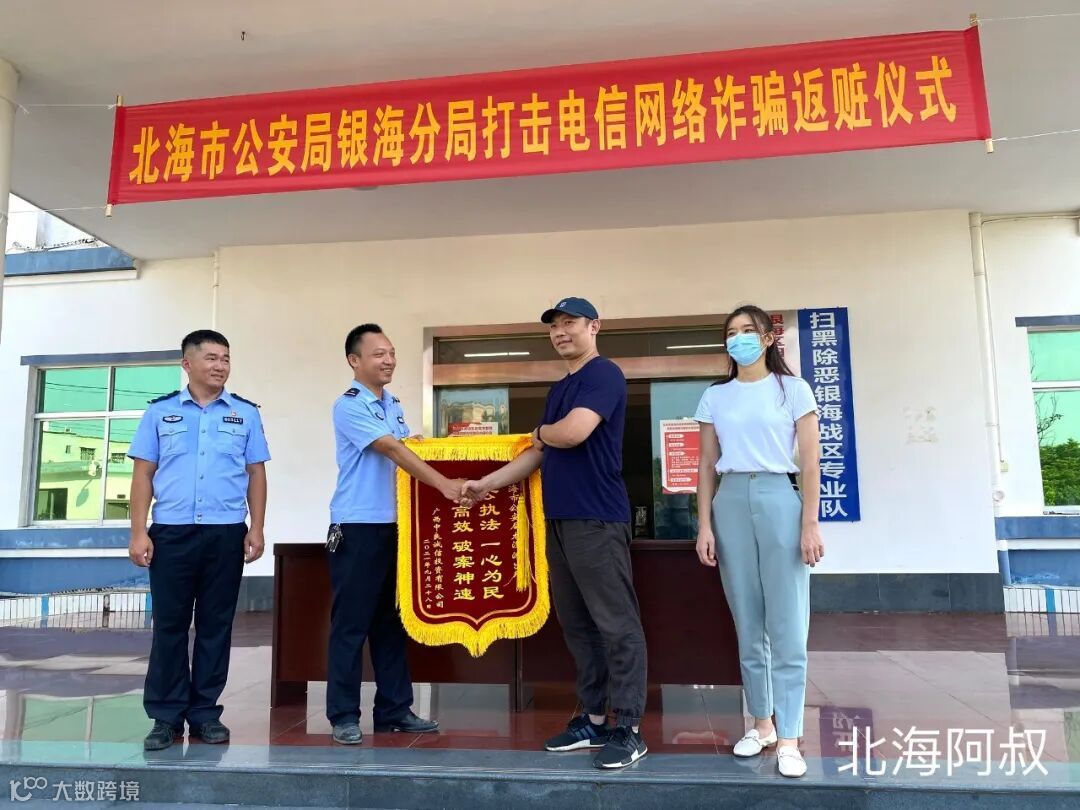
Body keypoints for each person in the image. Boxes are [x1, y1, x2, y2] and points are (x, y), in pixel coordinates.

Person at [462, 297, 648, 770]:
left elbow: (572, 433)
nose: (560, 332)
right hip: (559, 520)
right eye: (554, 326)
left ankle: (628, 727)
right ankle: (593, 719)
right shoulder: (560, 388)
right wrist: (486, 484)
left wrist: (542, 432)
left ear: (594, 326)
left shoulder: (604, 374)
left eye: (570, 323)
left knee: (616, 624)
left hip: (597, 519)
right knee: (579, 626)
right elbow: (539, 451)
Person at [693, 304, 824, 778]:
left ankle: (790, 736)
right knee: (748, 622)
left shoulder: (793, 389)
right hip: (729, 501)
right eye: (732, 332)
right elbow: (706, 464)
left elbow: (810, 462)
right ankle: (762, 724)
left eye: (748, 330)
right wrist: (704, 525)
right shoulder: (716, 396)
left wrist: (809, 523)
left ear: (768, 338)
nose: (739, 339)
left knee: (787, 624)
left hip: (778, 498)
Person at [128, 329, 270, 751]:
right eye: (211, 358)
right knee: (169, 626)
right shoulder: (160, 413)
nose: (220, 365)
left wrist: (257, 527)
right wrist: (138, 531)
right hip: (171, 533)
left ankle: (206, 713)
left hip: (225, 533)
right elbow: (143, 475)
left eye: (225, 358)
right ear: (187, 364)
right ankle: (166, 716)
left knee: (215, 626)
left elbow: (256, 473)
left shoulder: (246, 414)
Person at [326, 323, 460, 745]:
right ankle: (343, 715)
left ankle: (395, 709)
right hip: (359, 525)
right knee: (351, 625)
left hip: (396, 525)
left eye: (392, 353)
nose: (389, 360)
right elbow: (391, 449)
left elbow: (405, 446)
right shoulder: (349, 405)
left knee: (391, 623)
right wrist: (443, 483)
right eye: (378, 354)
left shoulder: (392, 403)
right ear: (354, 361)